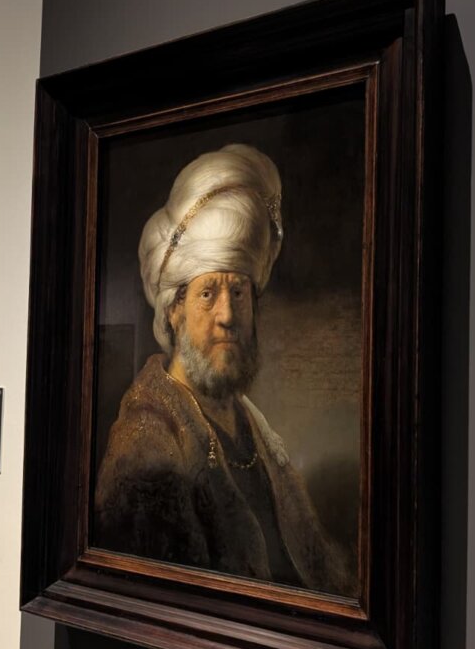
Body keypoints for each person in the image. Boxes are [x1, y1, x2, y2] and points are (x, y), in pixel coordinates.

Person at [94, 144, 355, 596]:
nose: (228, 316)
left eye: (239, 293)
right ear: (174, 310)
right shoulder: (147, 439)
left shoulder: (254, 426)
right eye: (207, 294)